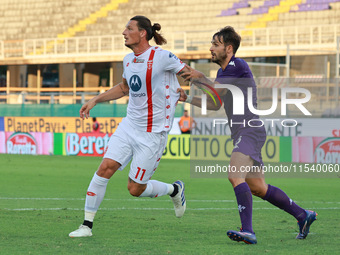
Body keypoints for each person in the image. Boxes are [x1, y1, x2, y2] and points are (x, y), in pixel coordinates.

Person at [179, 26, 317, 244]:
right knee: (258, 188)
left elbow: (216, 90)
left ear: (229, 48)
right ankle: (303, 215)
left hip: (249, 130)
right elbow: (215, 103)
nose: (211, 48)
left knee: (235, 175)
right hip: (246, 131)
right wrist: (187, 99)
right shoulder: (224, 73)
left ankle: (248, 231)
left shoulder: (237, 65)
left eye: (215, 44)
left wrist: (198, 77)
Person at [69, 15, 189, 238]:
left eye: (129, 28)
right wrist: (96, 99)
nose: (124, 32)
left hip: (152, 134)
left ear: (142, 33)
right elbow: (124, 88)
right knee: (105, 168)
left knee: (135, 189)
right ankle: (86, 225)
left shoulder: (161, 57)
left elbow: (189, 72)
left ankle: (174, 189)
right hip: (129, 126)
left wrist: (211, 91)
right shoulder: (128, 60)